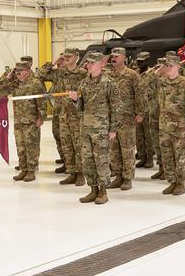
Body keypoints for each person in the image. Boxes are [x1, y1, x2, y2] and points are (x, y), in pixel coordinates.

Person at [68, 53, 122, 205]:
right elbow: (80, 108)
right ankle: (93, 189)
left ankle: (103, 191)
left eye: (92, 63)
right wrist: (75, 100)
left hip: (102, 129)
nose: (89, 65)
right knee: (88, 160)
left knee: (102, 160)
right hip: (86, 128)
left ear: (101, 64)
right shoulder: (84, 83)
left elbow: (117, 107)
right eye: (88, 63)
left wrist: (113, 129)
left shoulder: (109, 83)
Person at [38, 49, 87, 186]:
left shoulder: (83, 74)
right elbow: (40, 74)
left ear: (76, 57)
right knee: (67, 145)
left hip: (77, 115)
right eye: (64, 56)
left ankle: (80, 174)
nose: (66, 58)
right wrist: (54, 62)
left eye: (69, 56)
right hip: (62, 115)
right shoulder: (60, 73)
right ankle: (71, 172)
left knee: (78, 146)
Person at [156, 56, 185, 195]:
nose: (167, 68)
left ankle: (180, 183)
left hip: (180, 126)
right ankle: (172, 181)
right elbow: (145, 81)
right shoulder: (161, 82)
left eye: (170, 66)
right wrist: (158, 70)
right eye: (166, 65)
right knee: (167, 155)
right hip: (164, 125)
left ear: (178, 67)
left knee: (180, 156)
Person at [3, 61, 47, 182]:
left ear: (27, 71)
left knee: (31, 146)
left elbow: (42, 103)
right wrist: (9, 76)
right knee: (20, 146)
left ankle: (31, 170)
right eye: (16, 71)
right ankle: (23, 169)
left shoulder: (35, 84)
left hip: (31, 121)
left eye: (20, 71)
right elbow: (2, 88)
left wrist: (41, 118)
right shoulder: (15, 83)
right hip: (18, 120)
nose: (17, 73)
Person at [106, 47, 140, 190]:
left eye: (117, 56)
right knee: (114, 150)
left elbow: (140, 94)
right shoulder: (107, 74)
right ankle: (118, 175)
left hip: (127, 117)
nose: (114, 58)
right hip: (111, 118)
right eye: (112, 56)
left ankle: (127, 178)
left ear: (124, 58)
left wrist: (141, 113)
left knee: (127, 149)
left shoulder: (132, 75)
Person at [133, 51, 153, 167]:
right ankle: (142, 156)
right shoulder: (135, 74)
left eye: (142, 61)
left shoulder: (152, 74)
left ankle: (150, 157)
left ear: (147, 61)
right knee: (138, 134)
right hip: (137, 108)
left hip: (149, 107)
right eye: (138, 61)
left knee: (148, 134)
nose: (139, 64)